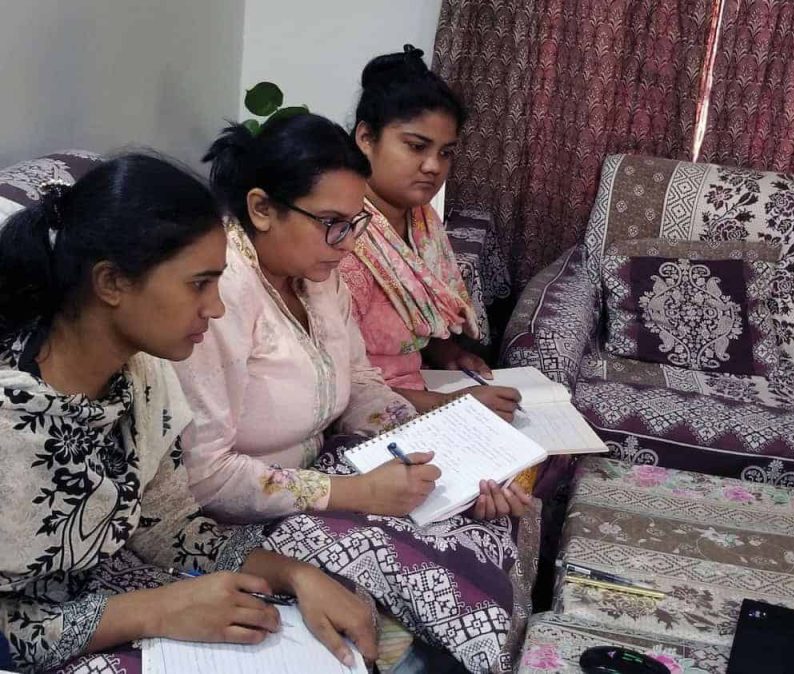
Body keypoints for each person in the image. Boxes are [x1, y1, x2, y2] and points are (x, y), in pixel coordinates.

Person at [173, 113, 537, 673]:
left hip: (329, 469)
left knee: (478, 523)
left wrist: (453, 449)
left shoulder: (317, 274)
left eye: (353, 223)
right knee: (448, 601)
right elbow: (208, 478)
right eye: (330, 223)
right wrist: (357, 494)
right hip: (242, 513)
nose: (347, 244)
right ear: (261, 208)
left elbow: (360, 386)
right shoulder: (219, 295)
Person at [0, 155, 375, 674]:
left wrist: (292, 575)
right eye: (199, 284)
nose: (216, 308)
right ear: (111, 283)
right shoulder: (11, 417)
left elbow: (168, 524)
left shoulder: (141, 377)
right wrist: (149, 611)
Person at [339, 45, 522, 420]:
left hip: (420, 389)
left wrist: (448, 354)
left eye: (446, 152)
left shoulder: (422, 223)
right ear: (365, 138)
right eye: (416, 146)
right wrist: (454, 407)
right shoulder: (340, 235)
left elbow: (411, 328)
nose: (432, 166)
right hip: (364, 414)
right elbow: (337, 388)